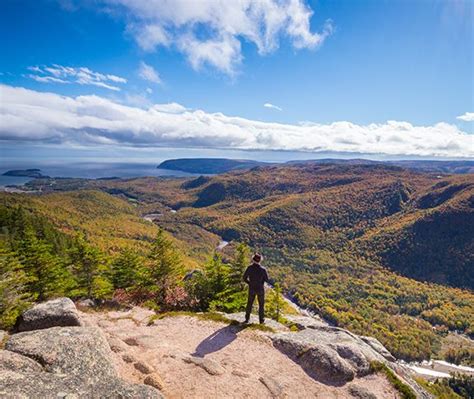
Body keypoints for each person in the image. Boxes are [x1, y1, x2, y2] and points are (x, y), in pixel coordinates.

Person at [243, 253, 269, 324]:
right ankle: (261, 321)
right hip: (260, 289)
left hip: (252, 288)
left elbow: (244, 278)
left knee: (249, 303)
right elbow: (267, 279)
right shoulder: (263, 269)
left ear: (253, 259)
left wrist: (249, 283)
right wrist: (262, 282)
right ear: (260, 260)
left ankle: (247, 319)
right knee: (261, 305)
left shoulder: (249, 268)